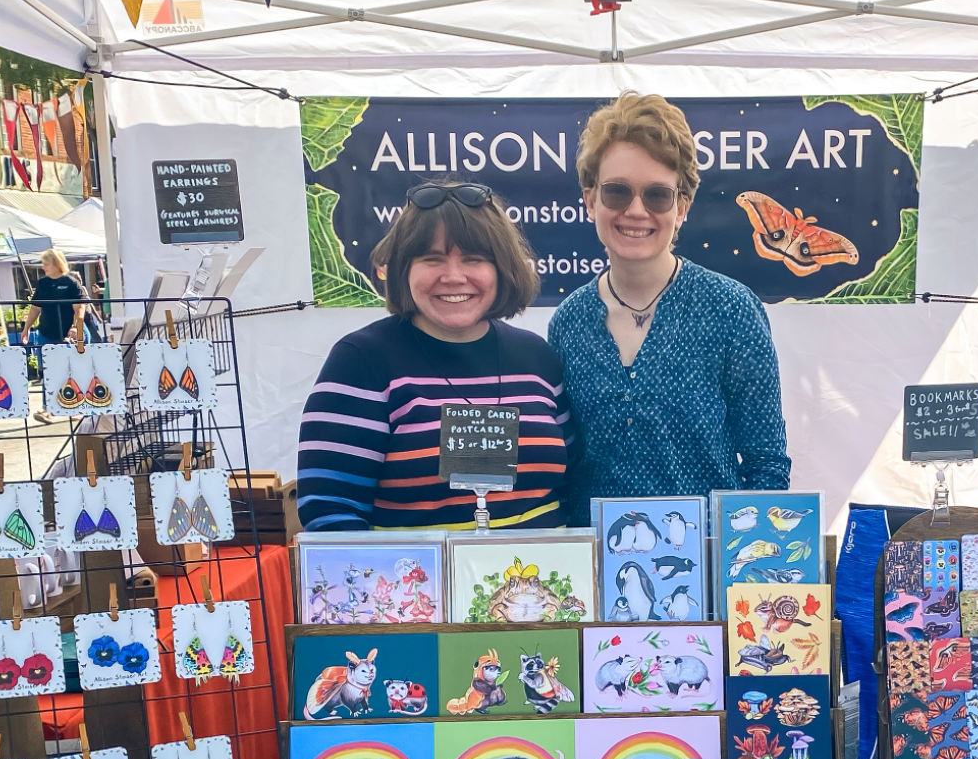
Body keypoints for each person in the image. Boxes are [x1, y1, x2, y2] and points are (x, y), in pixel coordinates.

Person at [548, 91, 790, 520]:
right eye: (617, 192)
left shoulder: (730, 310)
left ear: (682, 207)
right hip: (597, 574)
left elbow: (765, 465)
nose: (636, 211)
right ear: (590, 201)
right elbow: (564, 473)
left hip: (707, 572)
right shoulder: (568, 323)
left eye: (657, 195)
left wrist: (744, 569)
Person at [297, 178, 577, 531]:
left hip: (539, 581)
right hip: (415, 584)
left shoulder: (538, 359)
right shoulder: (361, 362)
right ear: (403, 270)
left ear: (501, 268)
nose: (454, 276)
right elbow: (329, 511)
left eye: (474, 259)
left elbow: (568, 489)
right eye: (432, 259)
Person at [19, 248, 89, 350]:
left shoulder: (71, 283)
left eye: (46, 264)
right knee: (45, 364)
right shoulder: (43, 283)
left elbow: (79, 308)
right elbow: (35, 308)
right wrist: (26, 329)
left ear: (56, 264)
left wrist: (75, 327)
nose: (43, 267)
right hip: (46, 333)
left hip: (70, 333)